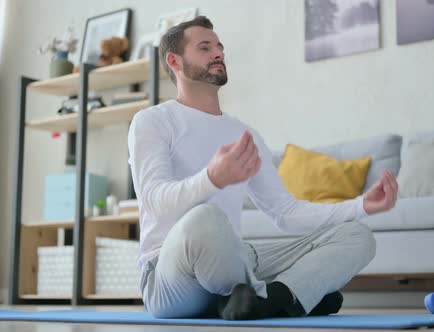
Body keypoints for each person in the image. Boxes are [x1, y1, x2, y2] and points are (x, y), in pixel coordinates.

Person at [128, 15, 398, 321]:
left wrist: (362, 205)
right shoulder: (151, 121)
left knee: (357, 235)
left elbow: (286, 213)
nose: (218, 53)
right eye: (205, 48)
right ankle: (294, 295)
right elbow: (154, 201)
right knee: (205, 216)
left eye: (219, 47)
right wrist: (212, 179)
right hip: (170, 276)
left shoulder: (245, 134)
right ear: (174, 61)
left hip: (234, 262)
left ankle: (272, 299)